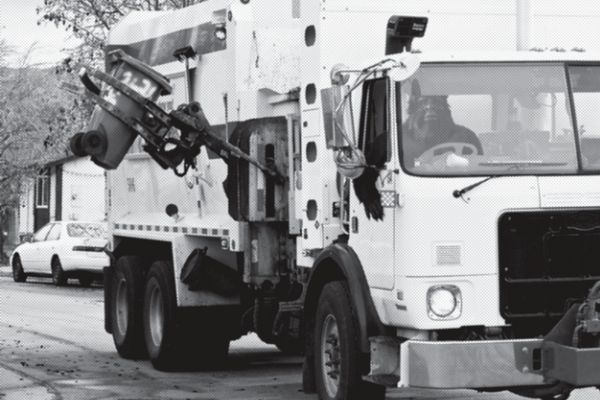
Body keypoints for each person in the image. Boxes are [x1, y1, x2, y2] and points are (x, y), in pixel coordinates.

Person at [402, 91, 483, 165]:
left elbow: (478, 165)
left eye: (436, 102)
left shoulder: (466, 136)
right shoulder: (399, 137)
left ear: (445, 108)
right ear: (413, 109)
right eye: (423, 102)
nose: (430, 106)